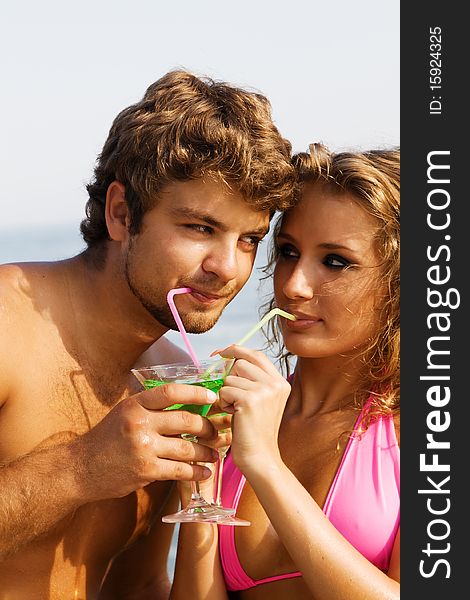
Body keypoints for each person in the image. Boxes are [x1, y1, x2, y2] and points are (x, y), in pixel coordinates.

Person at [0, 70, 296, 599]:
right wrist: (79, 467)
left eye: (250, 238)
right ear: (121, 213)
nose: (227, 267)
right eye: (200, 228)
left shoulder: (168, 372)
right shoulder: (7, 319)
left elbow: (136, 586)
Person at [170, 143, 400, 599]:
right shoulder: (238, 420)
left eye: (335, 261)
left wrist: (265, 465)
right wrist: (200, 492)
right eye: (289, 252)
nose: (293, 286)